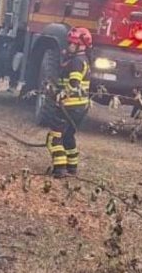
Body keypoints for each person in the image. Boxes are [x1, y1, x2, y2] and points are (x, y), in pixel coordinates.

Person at [45, 27, 92, 178]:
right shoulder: (83, 60)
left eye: (73, 43)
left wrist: (61, 95)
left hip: (68, 107)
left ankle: (59, 169)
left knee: (54, 137)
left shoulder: (77, 62)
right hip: (79, 108)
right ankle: (72, 168)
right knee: (68, 136)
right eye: (69, 42)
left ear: (81, 45)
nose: (69, 46)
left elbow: (74, 83)